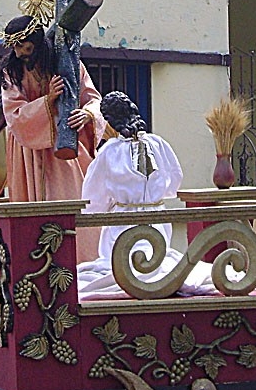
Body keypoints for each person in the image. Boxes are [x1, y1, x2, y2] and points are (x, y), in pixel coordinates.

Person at [77, 91, 217, 300]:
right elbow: (174, 178)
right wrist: (153, 195)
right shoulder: (158, 143)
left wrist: (105, 207)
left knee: (121, 263)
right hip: (157, 216)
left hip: (123, 220)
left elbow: (93, 194)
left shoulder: (110, 151)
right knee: (158, 257)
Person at [0, 15, 105, 201]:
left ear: (37, 43)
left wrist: (88, 114)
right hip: (28, 148)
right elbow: (14, 114)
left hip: (64, 140)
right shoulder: (12, 72)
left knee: (72, 194)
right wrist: (48, 100)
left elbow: (93, 98)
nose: (18, 54)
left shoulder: (68, 63)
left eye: (24, 47)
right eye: (14, 48)